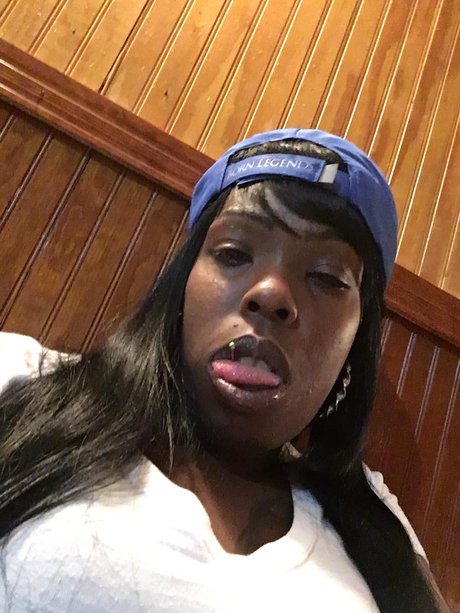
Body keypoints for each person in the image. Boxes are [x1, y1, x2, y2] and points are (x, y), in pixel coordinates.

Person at [0, 129, 449, 612]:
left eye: (324, 277)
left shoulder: (373, 521)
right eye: (233, 254)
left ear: (356, 343)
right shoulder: (23, 379)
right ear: (182, 285)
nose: (271, 294)